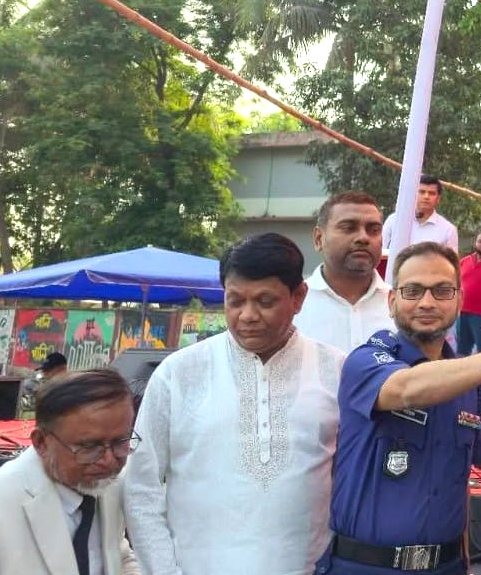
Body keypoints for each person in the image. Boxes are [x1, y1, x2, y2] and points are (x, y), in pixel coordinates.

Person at [315, 241, 481, 575]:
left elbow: (458, 480)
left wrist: (466, 561)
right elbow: (406, 388)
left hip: (447, 565)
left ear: (460, 300)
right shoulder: (365, 361)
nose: (427, 302)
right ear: (392, 301)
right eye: (413, 291)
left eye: (442, 291)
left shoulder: (469, 380)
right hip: (366, 566)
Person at [124, 233, 346, 575]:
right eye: (235, 301)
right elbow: (141, 486)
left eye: (265, 301)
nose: (248, 315)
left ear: (298, 297)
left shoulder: (337, 371)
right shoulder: (179, 373)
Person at [0, 368, 142, 575]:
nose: (109, 460)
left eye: (120, 441)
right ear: (41, 442)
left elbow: (117, 557)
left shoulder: (109, 483)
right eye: (89, 447)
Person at [295, 191, 393, 352]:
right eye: (348, 228)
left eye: (374, 230)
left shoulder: (402, 306)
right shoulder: (293, 307)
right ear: (319, 239)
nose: (363, 238)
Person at [383, 174, 459, 279]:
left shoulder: (448, 230)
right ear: (414, 194)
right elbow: (381, 251)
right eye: (422, 192)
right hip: (393, 280)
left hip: (429, 283)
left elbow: (452, 265)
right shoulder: (394, 220)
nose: (426, 197)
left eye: (431, 193)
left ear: (438, 199)